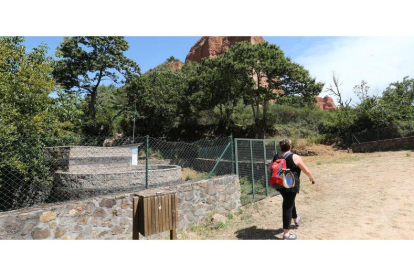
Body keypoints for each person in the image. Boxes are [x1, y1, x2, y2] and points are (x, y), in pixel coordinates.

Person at [267, 138, 316, 240]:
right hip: (291, 185)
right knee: (287, 206)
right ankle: (286, 234)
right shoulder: (295, 157)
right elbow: (306, 170)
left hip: (279, 184)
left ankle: (295, 219)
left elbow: (269, 168)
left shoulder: (276, 156)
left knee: (289, 201)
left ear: (281, 147)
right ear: (290, 146)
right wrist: (312, 179)